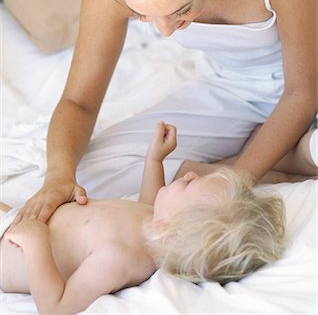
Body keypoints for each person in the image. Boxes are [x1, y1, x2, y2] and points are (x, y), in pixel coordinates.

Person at [14, 0, 317, 223]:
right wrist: (59, 176)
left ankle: (278, 155)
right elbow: (78, 101)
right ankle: (282, 157)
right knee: (91, 175)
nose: (166, 33)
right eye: (142, 15)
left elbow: (302, 94)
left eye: (182, 10)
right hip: (232, 88)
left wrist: (235, 181)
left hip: (308, 83)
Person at [1, 122, 286, 315]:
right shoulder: (155, 226)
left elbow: (57, 306)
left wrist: (35, 242)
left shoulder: (119, 258)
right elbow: (149, 204)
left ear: (170, 230)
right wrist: (155, 161)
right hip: (18, 222)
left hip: (9, 253)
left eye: (189, 184)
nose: (189, 174)